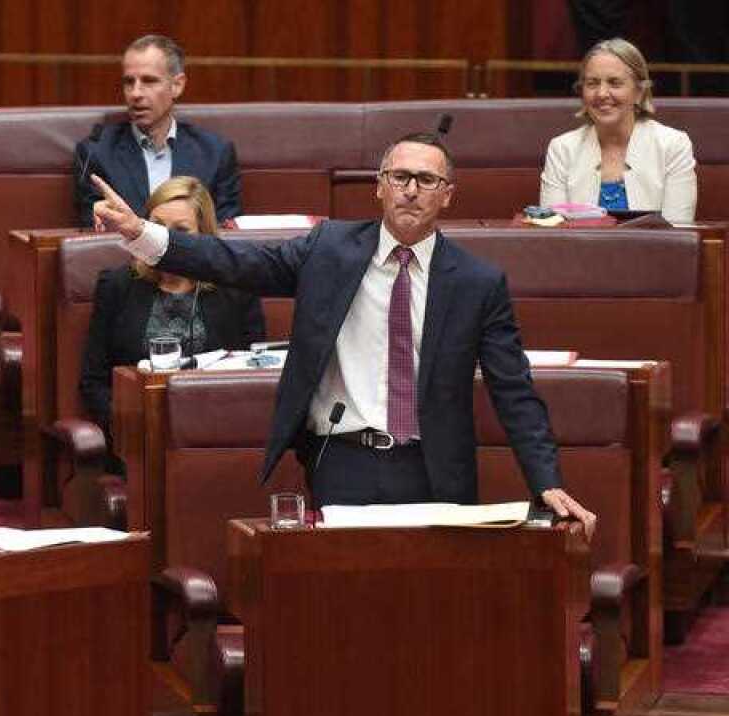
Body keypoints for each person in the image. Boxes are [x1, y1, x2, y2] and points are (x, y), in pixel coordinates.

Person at [92, 132, 598, 538]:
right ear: (379, 186)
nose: (411, 190)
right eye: (400, 176)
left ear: (447, 196)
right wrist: (141, 231)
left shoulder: (477, 282)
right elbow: (233, 261)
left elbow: (514, 390)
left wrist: (546, 482)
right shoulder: (329, 249)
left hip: (434, 465)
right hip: (344, 457)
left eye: (426, 179)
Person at [80, 176, 264, 440]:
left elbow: (253, 374)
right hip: (136, 439)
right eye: (157, 227)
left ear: (204, 235)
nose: (166, 238)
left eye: (181, 230)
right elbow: (94, 382)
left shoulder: (236, 290)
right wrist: (130, 429)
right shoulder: (117, 286)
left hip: (217, 437)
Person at [73, 34, 242, 228]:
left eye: (149, 81)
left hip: (194, 257)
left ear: (177, 85)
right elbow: (91, 229)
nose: (135, 93)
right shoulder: (96, 153)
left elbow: (226, 235)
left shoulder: (215, 153)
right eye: (129, 82)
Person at [539, 38, 696, 223]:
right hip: (578, 251)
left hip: (654, 251)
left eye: (614, 83)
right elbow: (552, 232)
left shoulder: (673, 145)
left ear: (639, 92)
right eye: (592, 83)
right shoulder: (562, 149)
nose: (602, 93)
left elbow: (678, 232)